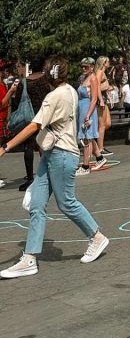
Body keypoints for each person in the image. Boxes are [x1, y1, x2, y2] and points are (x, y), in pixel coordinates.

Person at [0, 56, 109, 278]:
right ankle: (29, 258)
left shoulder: (54, 96)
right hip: (54, 155)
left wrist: (5, 147)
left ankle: (96, 236)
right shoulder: (69, 90)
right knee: (37, 205)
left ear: (48, 76)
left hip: (61, 155)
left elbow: (34, 125)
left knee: (66, 202)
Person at [6, 57, 51, 192]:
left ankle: (30, 178)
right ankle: (48, 174)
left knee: (29, 146)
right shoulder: (46, 80)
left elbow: (17, 101)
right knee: (43, 143)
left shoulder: (25, 82)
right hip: (44, 115)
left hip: (28, 118)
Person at [76, 59, 104, 175]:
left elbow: (94, 99)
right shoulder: (83, 78)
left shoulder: (93, 78)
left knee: (86, 138)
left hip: (88, 109)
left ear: (92, 67)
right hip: (82, 108)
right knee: (88, 137)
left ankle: (86, 166)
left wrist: (88, 115)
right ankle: (99, 158)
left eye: (86, 67)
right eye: (82, 66)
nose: (83, 69)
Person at [93, 56, 113, 163]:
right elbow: (96, 87)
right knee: (102, 125)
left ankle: (97, 144)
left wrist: (108, 95)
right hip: (100, 100)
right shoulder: (99, 72)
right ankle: (100, 148)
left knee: (107, 123)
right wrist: (101, 99)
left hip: (104, 98)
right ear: (104, 62)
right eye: (108, 61)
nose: (109, 63)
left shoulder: (103, 72)